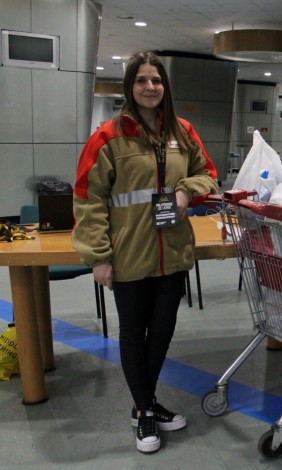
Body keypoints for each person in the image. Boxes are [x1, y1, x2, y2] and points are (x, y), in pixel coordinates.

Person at [72, 51, 218, 452]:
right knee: (134, 334)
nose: (150, 87)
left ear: (164, 87)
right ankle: (145, 412)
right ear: (130, 87)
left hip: (172, 253)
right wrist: (99, 256)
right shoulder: (108, 137)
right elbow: (88, 199)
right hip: (129, 255)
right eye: (142, 80)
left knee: (164, 332)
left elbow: (209, 172)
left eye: (156, 80)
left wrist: (188, 189)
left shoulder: (182, 131)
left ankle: (145, 406)